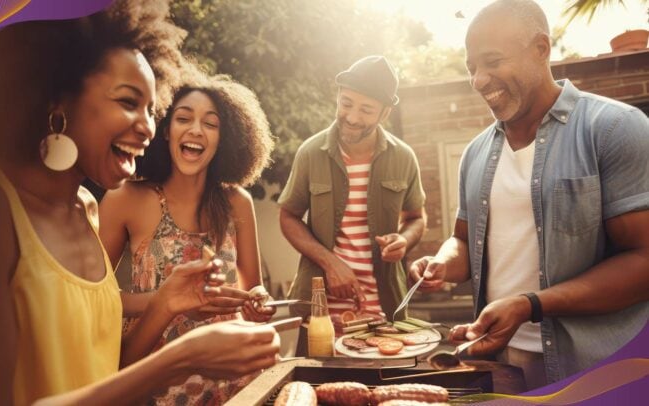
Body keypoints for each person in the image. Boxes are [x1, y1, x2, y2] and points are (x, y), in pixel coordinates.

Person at [0, 2, 280, 404]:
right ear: (58, 99)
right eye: (128, 102)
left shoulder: (86, 208)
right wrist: (179, 358)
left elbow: (107, 375)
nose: (147, 127)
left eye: (151, 109)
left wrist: (164, 303)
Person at [409, 0, 649, 389]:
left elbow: (644, 262)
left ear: (541, 49)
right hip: (499, 360)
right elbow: (463, 240)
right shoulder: (474, 153)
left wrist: (530, 305)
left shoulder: (614, 128)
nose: (479, 80)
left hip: (596, 369)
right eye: (472, 68)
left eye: (492, 61)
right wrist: (440, 262)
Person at [99, 75, 276, 404]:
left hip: (234, 374)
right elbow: (98, 298)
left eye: (211, 124)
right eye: (183, 118)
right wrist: (167, 300)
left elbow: (252, 285)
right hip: (160, 373)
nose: (196, 130)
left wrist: (258, 302)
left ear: (224, 138)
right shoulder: (125, 198)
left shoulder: (237, 201)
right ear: (165, 130)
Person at [278, 55, 427, 355]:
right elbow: (288, 217)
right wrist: (331, 263)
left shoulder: (404, 157)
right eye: (346, 103)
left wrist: (404, 240)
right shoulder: (310, 153)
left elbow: (416, 217)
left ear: (385, 112)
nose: (353, 116)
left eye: (366, 109)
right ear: (337, 96)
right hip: (320, 312)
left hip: (384, 314)